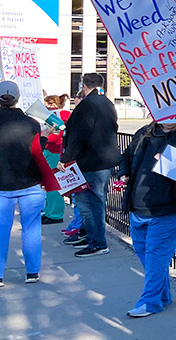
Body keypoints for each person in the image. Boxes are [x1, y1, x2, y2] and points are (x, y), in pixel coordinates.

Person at [114, 118, 176, 318]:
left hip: (169, 208)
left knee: (155, 257)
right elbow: (126, 155)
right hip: (138, 206)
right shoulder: (145, 132)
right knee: (145, 254)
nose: (168, 118)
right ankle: (163, 295)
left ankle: (150, 302)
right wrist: (123, 173)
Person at [0, 81, 56, 286]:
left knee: (0, 231)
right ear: (17, 99)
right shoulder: (31, 123)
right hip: (29, 183)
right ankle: (32, 272)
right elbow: (36, 150)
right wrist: (46, 136)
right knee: (31, 229)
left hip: (2, 185)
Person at [60, 73, 121, 258]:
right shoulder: (107, 103)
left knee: (88, 203)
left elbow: (79, 134)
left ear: (84, 85)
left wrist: (66, 158)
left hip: (91, 162)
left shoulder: (87, 105)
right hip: (105, 160)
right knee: (96, 202)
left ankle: (97, 242)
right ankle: (90, 235)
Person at [40, 94, 70, 225]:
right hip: (51, 151)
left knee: (53, 184)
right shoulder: (61, 116)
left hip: (54, 152)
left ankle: (55, 213)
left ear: (52, 105)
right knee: (49, 184)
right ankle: (49, 211)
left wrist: (42, 135)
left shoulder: (60, 117)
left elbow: (55, 137)